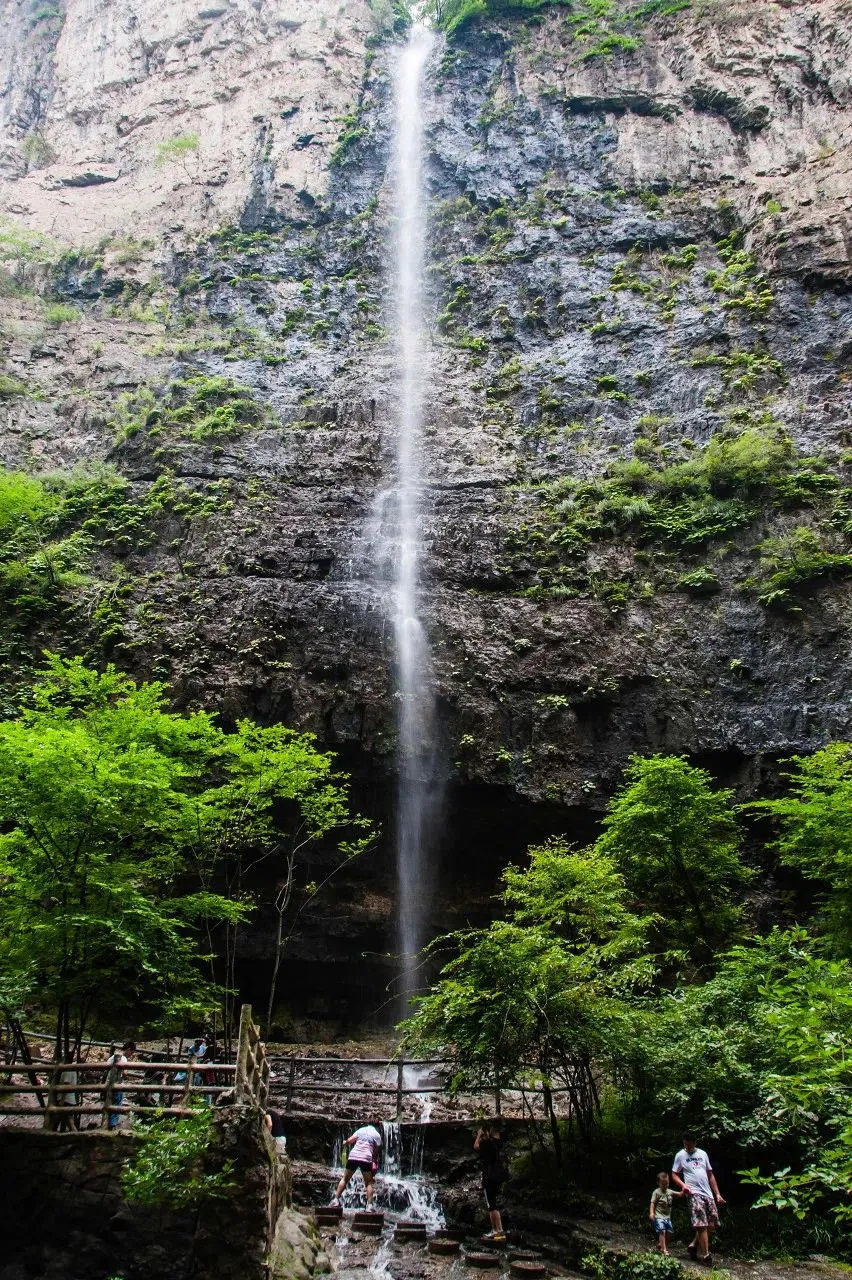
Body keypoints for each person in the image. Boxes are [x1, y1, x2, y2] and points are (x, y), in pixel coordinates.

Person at [671, 1132, 726, 1267]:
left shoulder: (703, 1154)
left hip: (708, 1193)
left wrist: (717, 1194)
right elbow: (674, 1174)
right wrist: (684, 1185)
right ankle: (706, 1255)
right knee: (701, 1225)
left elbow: (710, 1174)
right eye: (685, 1145)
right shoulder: (680, 1155)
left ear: (695, 1142)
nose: (687, 1147)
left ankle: (693, 1245)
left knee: (712, 1224)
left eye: (690, 1145)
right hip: (693, 1193)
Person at [332, 1122, 382, 1208]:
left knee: (344, 1179)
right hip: (366, 1158)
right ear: (376, 1127)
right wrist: (374, 1162)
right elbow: (376, 1153)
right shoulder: (377, 1135)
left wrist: (345, 1143)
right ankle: (369, 1206)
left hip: (353, 1156)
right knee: (368, 1183)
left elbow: (349, 1141)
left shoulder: (361, 1130)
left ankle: (335, 1200)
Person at [474, 1121, 507, 1242]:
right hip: (497, 1177)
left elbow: (476, 1146)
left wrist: (479, 1135)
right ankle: (500, 1231)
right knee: (495, 1205)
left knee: (491, 1205)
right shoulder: (498, 1143)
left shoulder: (487, 1143)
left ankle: (495, 1231)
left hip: (489, 1178)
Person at [649, 1171, 682, 1255]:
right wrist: (652, 1213)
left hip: (667, 1217)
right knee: (662, 1231)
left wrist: (685, 1190)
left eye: (667, 1183)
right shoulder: (656, 1192)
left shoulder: (669, 1191)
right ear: (658, 1183)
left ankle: (661, 1245)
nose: (665, 1185)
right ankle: (664, 1250)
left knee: (670, 1233)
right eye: (663, 1184)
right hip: (659, 1216)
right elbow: (652, 1203)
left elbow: (679, 1194)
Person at [105, 1041, 136, 1131]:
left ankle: (107, 1123)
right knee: (117, 1104)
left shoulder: (112, 1057)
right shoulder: (123, 1058)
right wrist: (127, 1077)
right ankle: (112, 1125)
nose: (131, 1055)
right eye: (132, 1052)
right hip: (116, 1084)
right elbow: (125, 1073)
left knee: (109, 1103)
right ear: (129, 1049)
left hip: (108, 1083)